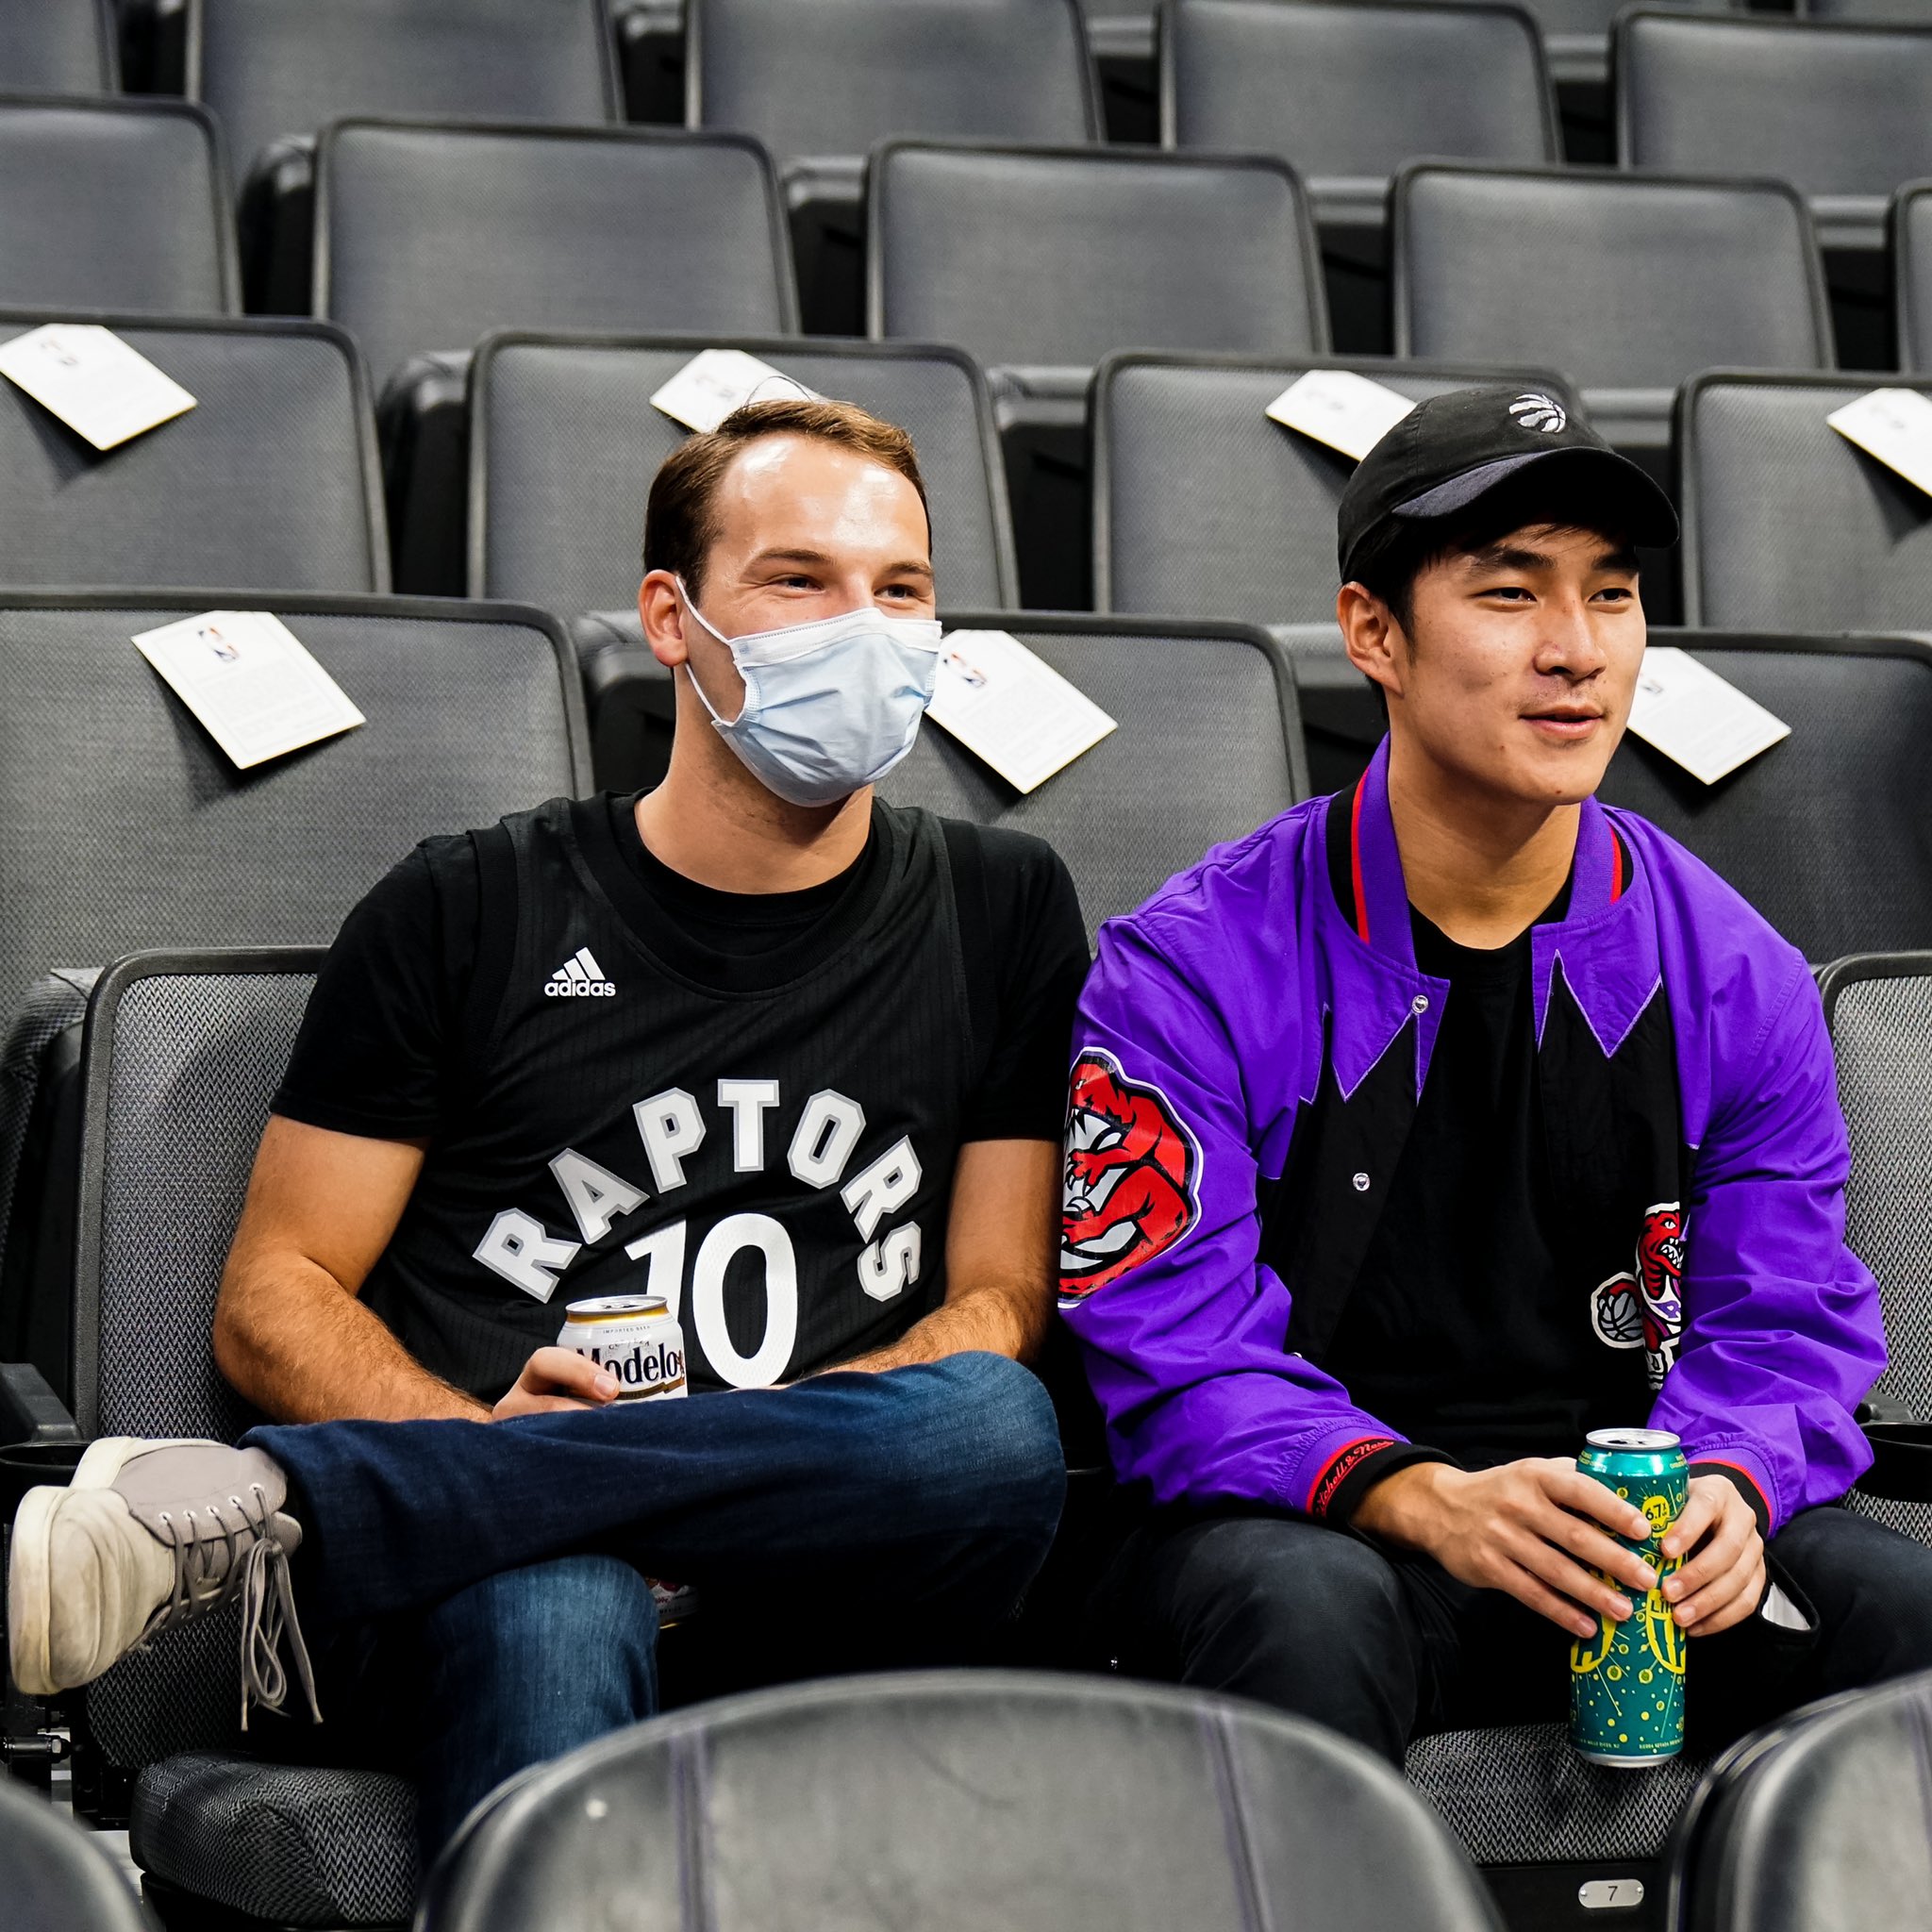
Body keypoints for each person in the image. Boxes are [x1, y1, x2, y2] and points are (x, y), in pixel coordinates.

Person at [9, 398, 1083, 1855]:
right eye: (799, 581)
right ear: (672, 619)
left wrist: (635, 1480)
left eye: (901, 591)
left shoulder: (1001, 907)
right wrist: (487, 1460)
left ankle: (279, 1501)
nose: (866, 629)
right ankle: (501, 1514)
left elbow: (1004, 1295)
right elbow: (273, 1300)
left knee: (997, 1428)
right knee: (557, 1591)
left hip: (839, 1555)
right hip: (486, 1587)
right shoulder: (471, 907)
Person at [1060, 386, 1932, 1763]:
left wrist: (1732, 1482)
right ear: (1374, 635)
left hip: (1620, 1529)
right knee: (1303, 1612)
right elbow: (1174, 1354)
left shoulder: (1732, 971)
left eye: (1614, 595)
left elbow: (1784, 1320)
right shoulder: (1189, 968)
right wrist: (1417, 1496)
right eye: (1511, 594)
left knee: (1900, 1605)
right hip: (1322, 1524)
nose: (1577, 651)